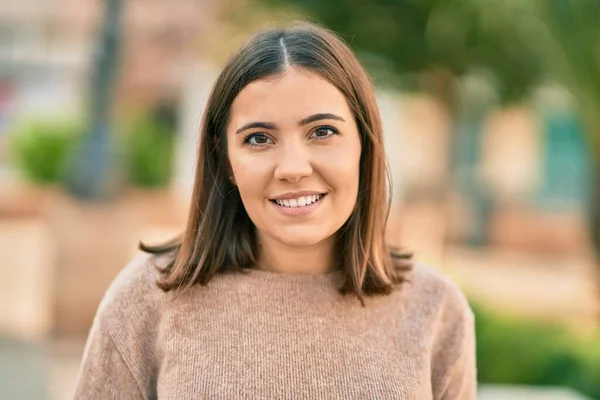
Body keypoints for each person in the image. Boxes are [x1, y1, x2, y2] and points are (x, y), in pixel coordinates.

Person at [74, 22, 476, 399]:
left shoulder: (435, 309)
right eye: (259, 138)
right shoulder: (146, 299)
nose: (293, 168)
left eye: (322, 132)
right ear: (225, 161)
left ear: (364, 145)